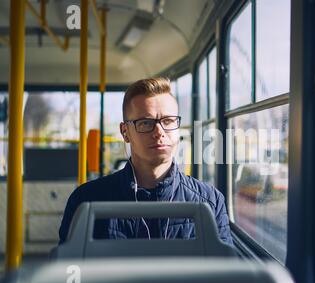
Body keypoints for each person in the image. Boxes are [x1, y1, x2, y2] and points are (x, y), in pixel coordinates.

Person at [58, 77, 233, 246]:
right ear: (125, 132)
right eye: (145, 123)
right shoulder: (85, 201)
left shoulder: (210, 202)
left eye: (168, 121)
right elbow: (70, 272)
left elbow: (225, 271)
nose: (159, 132)